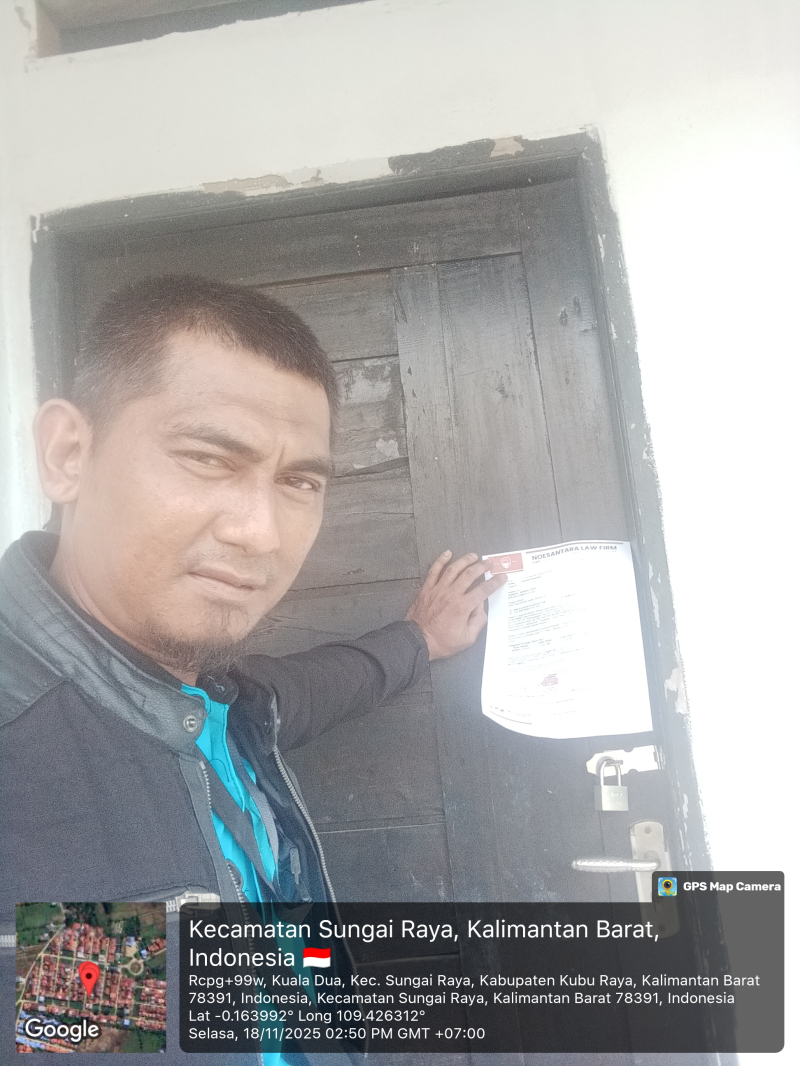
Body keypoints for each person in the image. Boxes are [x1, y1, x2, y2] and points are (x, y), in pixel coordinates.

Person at [0, 277, 505, 1000]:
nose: (262, 534)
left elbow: (325, 686)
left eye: (299, 482)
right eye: (209, 458)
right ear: (68, 454)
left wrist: (421, 638)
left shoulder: (224, 708)